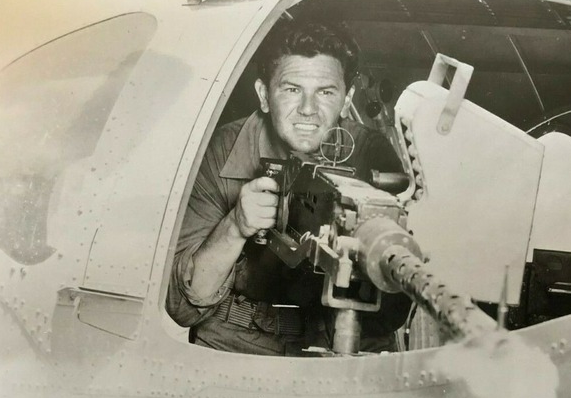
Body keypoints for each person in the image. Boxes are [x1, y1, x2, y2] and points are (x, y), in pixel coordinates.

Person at [166, 21, 411, 356]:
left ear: (346, 98)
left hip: (342, 334)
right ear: (265, 96)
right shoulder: (225, 149)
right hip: (239, 338)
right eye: (292, 89)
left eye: (325, 92)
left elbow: (393, 310)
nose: (308, 109)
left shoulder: (372, 152)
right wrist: (236, 225)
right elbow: (182, 307)